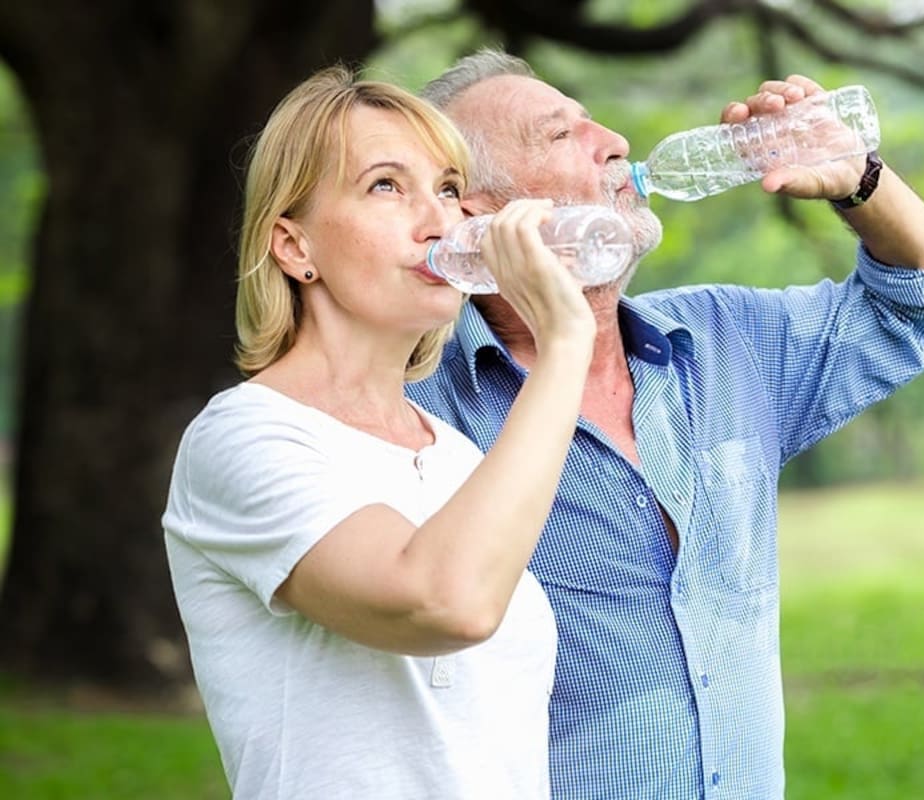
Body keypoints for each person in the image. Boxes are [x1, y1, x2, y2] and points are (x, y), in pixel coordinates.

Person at [410, 49, 924, 799]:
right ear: (477, 215)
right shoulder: (423, 409)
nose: (614, 142)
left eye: (596, 122)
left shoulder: (726, 340)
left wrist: (861, 181)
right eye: (561, 136)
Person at [161, 65, 597, 799]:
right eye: (386, 186)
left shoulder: (456, 454)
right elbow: (445, 601)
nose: (439, 222)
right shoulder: (240, 439)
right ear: (294, 248)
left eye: (450, 188)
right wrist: (562, 344)